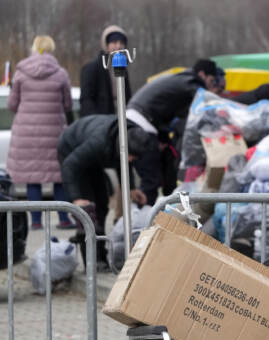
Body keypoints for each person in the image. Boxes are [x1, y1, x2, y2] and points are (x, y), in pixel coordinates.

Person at [57, 115, 153, 266]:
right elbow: (70, 165)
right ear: (122, 146)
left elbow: (125, 163)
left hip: (92, 154)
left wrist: (131, 188)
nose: (130, 160)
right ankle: (92, 261)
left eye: (134, 157)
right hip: (71, 148)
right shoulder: (98, 142)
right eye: (130, 155)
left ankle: (102, 255)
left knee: (102, 203)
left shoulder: (129, 137)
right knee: (88, 209)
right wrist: (76, 199)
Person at [126, 58, 223, 204]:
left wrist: (163, 138)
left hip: (140, 118)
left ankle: (159, 213)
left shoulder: (181, 79)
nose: (212, 85)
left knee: (165, 170)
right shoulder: (192, 83)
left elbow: (167, 109)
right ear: (202, 74)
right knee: (151, 178)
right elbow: (206, 107)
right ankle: (143, 217)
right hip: (142, 122)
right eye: (212, 80)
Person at [6, 35, 73, 229]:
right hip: (55, 132)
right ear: (51, 49)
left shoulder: (20, 72)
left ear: (34, 48)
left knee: (32, 178)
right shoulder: (60, 74)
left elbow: (11, 104)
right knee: (58, 177)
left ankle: (35, 221)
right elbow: (68, 104)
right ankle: (64, 219)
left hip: (26, 133)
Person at [79, 25, 132, 117]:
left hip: (120, 119)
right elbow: (86, 100)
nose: (118, 46)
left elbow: (127, 96)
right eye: (114, 42)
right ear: (106, 45)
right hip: (100, 122)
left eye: (121, 43)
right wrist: (95, 121)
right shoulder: (91, 68)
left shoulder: (123, 69)